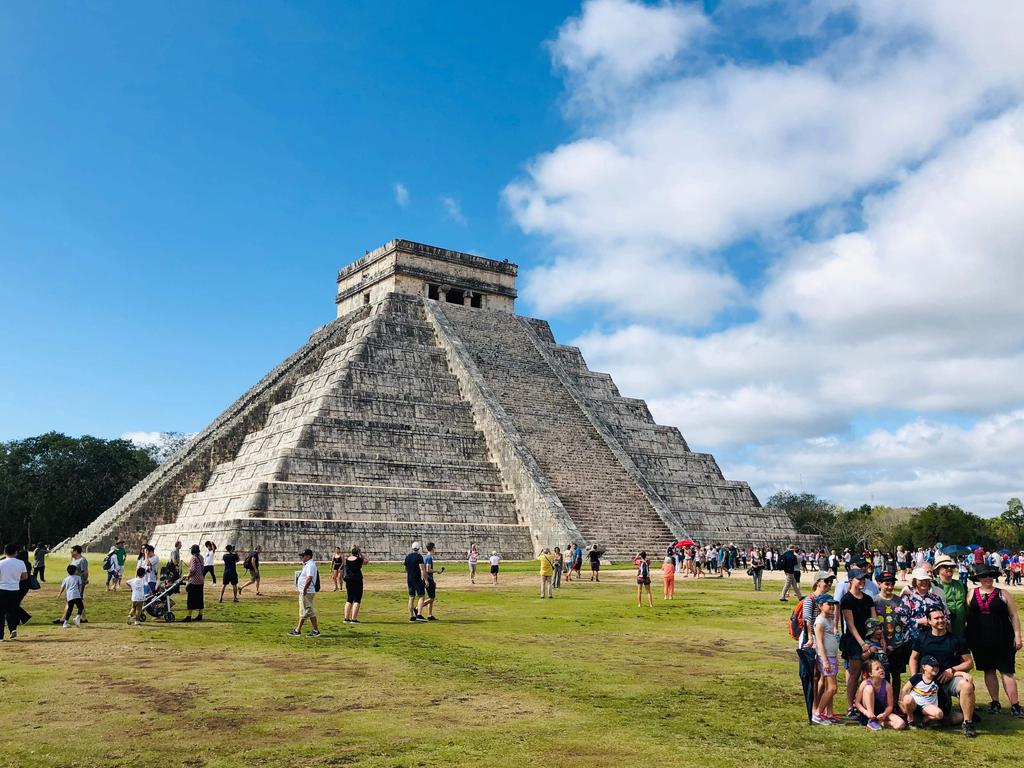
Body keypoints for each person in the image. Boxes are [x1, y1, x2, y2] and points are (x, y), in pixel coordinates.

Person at [965, 562, 1023, 717]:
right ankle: (995, 702)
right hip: (980, 640)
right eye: (984, 576)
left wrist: (1018, 635)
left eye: (990, 575)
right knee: (988, 670)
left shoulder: (1003, 593)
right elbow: (968, 615)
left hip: (1003, 638)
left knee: (1007, 671)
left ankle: (1015, 705)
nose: (987, 578)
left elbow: (1014, 615)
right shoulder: (971, 593)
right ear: (978, 578)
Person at [909, 607, 977, 737]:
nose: (941, 620)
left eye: (942, 617)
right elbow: (913, 658)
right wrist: (914, 678)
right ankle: (955, 714)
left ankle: (968, 722)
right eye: (936, 618)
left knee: (967, 685)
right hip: (928, 682)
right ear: (929, 621)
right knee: (940, 719)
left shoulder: (956, 639)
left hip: (949, 679)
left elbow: (969, 662)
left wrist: (952, 670)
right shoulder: (922, 638)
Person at [840, 568, 877, 717]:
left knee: (869, 672)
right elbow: (850, 624)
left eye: (863, 579)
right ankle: (851, 706)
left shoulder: (868, 599)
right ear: (851, 580)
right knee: (854, 673)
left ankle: (865, 704)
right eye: (859, 579)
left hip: (869, 638)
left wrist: (876, 638)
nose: (862, 581)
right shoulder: (846, 599)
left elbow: (874, 620)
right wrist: (862, 643)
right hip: (854, 641)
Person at [812, 594, 840, 724]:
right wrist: (825, 661)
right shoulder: (820, 621)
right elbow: (819, 642)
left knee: (830, 686)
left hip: (832, 656)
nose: (832, 607)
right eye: (828, 604)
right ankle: (817, 713)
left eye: (832, 604)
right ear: (820, 606)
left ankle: (828, 713)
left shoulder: (830, 618)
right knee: (832, 688)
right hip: (827, 657)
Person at [855, 659, 905, 730]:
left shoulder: (887, 686)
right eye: (877, 669)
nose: (881, 670)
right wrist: (866, 713)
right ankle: (871, 720)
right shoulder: (865, 683)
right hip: (868, 714)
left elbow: (890, 706)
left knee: (901, 724)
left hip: (881, 712)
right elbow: (857, 702)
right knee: (869, 688)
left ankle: (879, 722)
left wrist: (884, 714)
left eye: (881, 667)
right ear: (870, 674)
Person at [901, 655, 945, 727]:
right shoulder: (917, 677)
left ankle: (923, 720)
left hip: (927, 706)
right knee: (907, 699)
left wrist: (963, 674)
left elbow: (953, 674)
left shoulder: (938, 679)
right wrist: (902, 704)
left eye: (937, 666)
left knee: (939, 715)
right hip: (914, 703)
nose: (936, 668)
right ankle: (910, 718)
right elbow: (905, 689)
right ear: (924, 667)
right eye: (932, 666)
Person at [289, 548, 320, 637]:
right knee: (307, 610)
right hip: (306, 591)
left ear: (308, 556)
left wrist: (305, 589)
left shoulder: (310, 565)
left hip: (307, 592)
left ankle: (299, 630)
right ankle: (312, 630)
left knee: (306, 611)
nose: (302, 558)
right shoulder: (307, 565)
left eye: (303, 556)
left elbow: (309, 578)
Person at [934, 554, 967, 637]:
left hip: (960, 628)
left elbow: (965, 603)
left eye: (951, 567)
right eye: (945, 566)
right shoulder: (934, 585)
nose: (949, 569)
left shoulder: (960, 584)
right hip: (943, 628)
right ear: (938, 569)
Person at [1, 543, 29, 641]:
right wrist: (16, 579)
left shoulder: (1, 563)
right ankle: (13, 629)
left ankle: (0, 635)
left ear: (5, 552)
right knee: (12, 610)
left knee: (1, 612)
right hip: (15, 589)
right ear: (16, 552)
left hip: (2, 589)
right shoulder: (21, 563)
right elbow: (25, 577)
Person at [343, 546, 368, 623]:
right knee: (357, 599)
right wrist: (361, 554)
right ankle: (354, 619)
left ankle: (346, 618)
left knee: (349, 598)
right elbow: (366, 561)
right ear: (357, 553)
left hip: (349, 580)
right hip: (357, 579)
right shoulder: (359, 560)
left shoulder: (347, 559)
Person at [405, 542, 428, 622]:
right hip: (417, 578)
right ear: (419, 548)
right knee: (421, 596)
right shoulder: (419, 557)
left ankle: (412, 616)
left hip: (409, 578)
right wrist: (425, 580)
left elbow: (406, 569)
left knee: (411, 597)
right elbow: (422, 569)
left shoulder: (407, 557)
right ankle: (419, 614)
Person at [183, 544, 205, 623]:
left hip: (193, 581)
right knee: (200, 598)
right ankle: (200, 615)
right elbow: (202, 568)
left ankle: (189, 616)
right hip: (201, 581)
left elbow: (192, 570)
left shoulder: (193, 558)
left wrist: (187, 575)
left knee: (191, 599)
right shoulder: (201, 557)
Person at [58, 564, 85, 628]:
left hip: (69, 596)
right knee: (81, 606)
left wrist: (59, 593)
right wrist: (80, 593)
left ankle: (65, 623)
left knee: (70, 609)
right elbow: (80, 586)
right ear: (75, 571)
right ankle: (77, 617)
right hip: (76, 594)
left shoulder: (66, 579)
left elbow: (63, 587)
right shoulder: (78, 577)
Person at [68, 545, 90, 623]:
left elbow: (85, 572)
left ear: (76, 551)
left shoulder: (82, 560)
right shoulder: (73, 559)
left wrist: (84, 581)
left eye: (72, 551)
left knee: (72, 599)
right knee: (77, 600)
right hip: (72, 582)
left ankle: (64, 619)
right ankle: (83, 618)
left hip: (79, 583)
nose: (71, 552)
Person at [422, 542, 440, 619]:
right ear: (432, 548)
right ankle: (417, 608)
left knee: (431, 597)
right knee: (432, 598)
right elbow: (428, 569)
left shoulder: (425, 557)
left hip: (426, 578)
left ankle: (430, 615)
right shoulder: (429, 558)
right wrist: (436, 571)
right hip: (429, 578)